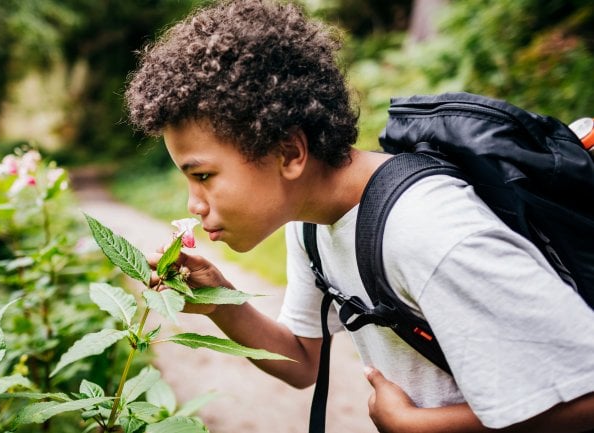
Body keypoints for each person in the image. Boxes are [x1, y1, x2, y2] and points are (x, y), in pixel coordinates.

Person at [123, 0, 594, 431]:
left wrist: (422, 426)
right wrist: (220, 302)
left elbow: (585, 394)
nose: (193, 204)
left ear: (289, 151)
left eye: (202, 175)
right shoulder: (310, 221)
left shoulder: (429, 233)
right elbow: (302, 361)